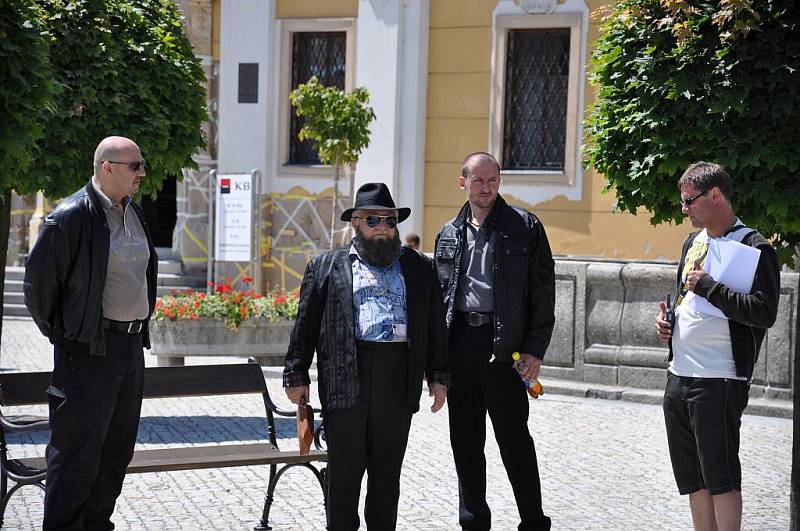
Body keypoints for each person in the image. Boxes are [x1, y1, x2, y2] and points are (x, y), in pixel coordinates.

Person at [283, 182, 449, 530]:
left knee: (387, 476)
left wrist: (438, 376)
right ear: (355, 222)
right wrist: (296, 374)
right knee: (344, 476)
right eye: (373, 220)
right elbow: (305, 324)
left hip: (398, 378)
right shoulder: (326, 266)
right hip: (345, 376)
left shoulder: (419, 268)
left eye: (389, 221)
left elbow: (434, 325)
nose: (383, 228)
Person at [24, 136, 158, 530]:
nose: (142, 173)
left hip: (130, 348)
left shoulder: (134, 213)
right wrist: (70, 337)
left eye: (141, 164)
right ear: (107, 167)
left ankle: (97, 525)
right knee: (77, 457)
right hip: (89, 352)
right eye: (135, 166)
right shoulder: (70, 216)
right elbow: (38, 289)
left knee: (115, 453)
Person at [434, 152, 555, 530]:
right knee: (466, 444)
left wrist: (535, 350)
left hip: (506, 348)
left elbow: (543, 293)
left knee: (515, 441)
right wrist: (436, 363)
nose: (485, 187)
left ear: (499, 182)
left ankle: (533, 522)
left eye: (492, 180)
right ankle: (473, 521)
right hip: (460, 347)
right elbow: (439, 298)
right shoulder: (448, 234)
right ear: (463, 182)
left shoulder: (525, 227)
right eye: (478, 180)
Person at [656, 162, 779, 530]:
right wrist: (668, 323)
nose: (684, 209)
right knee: (693, 477)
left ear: (714, 195)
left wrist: (709, 286)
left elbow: (763, 311)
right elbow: (685, 299)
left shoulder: (754, 246)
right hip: (680, 375)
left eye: (689, 201)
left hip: (719, 377)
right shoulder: (693, 242)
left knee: (720, 475)